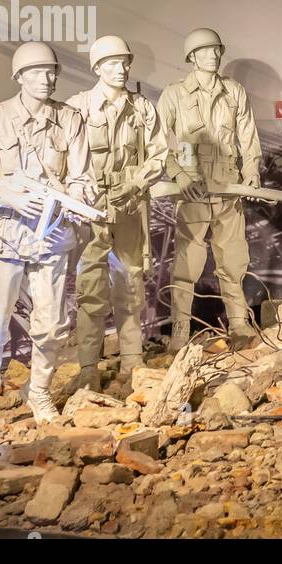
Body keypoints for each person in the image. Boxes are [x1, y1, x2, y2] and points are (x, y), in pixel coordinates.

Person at [0, 42, 97, 436]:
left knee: (52, 324)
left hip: (51, 236)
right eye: (37, 72)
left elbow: (82, 175)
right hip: (4, 237)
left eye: (52, 71)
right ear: (19, 77)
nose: (47, 78)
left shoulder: (69, 120)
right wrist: (11, 194)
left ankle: (39, 392)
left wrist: (78, 197)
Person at [66, 36, 166, 392]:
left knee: (130, 285)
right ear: (96, 68)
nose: (120, 69)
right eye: (111, 64)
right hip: (90, 213)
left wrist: (135, 183)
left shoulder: (142, 108)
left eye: (124, 63)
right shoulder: (76, 108)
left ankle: (132, 361)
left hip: (128, 207)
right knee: (90, 291)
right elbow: (64, 157)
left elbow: (159, 155)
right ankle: (89, 367)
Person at [158, 27, 262, 349]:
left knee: (232, 259)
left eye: (216, 50)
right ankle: (180, 330)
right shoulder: (173, 95)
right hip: (193, 191)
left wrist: (252, 171)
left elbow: (247, 136)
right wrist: (180, 176)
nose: (213, 56)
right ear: (191, 58)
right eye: (205, 52)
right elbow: (159, 143)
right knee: (187, 264)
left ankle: (239, 323)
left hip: (228, 189)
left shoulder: (234, 92)